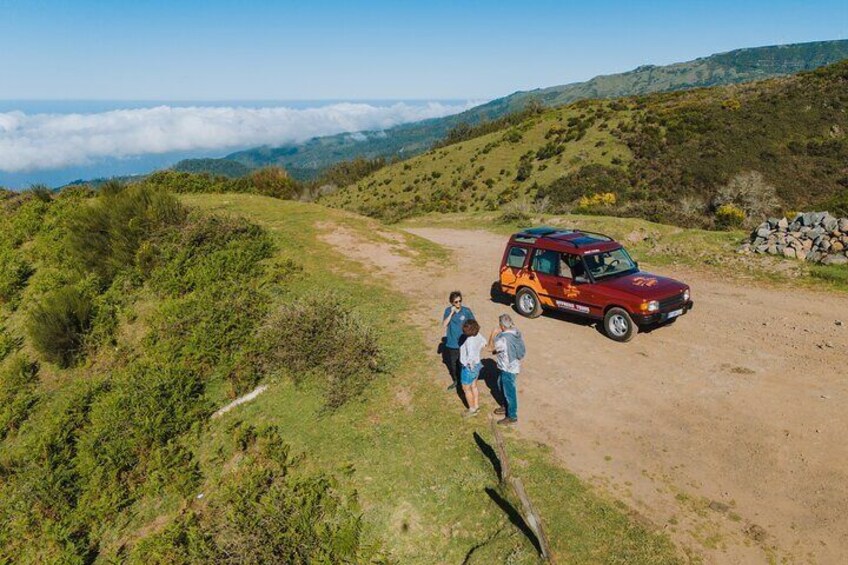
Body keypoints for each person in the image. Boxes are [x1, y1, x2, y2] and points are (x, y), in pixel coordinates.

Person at [489, 313, 525, 425]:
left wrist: (493, 334)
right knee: (500, 384)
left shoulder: (502, 339)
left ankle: (512, 416)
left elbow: (490, 348)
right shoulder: (515, 332)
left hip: (508, 369)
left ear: (502, 326)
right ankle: (506, 406)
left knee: (509, 392)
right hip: (513, 365)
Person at [442, 291, 474, 390]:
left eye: (460, 301)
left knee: (464, 363)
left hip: (464, 343)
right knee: (454, 364)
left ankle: (466, 381)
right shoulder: (448, 311)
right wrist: (451, 313)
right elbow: (444, 324)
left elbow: (473, 324)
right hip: (453, 343)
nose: (458, 304)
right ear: (452, 303)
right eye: (456, 302)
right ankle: (457, 381)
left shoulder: (466, 311)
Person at [459, 319, 487, 417]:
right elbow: (484, 343)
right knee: (474, 386)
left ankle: (472, 409)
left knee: (466, 389)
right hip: (478, 364)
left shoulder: (469, 341)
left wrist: (468, 365)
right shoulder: (478, 335)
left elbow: (470, 356)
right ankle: (476, 406)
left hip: (469, 368)